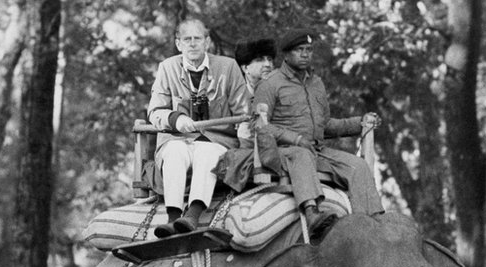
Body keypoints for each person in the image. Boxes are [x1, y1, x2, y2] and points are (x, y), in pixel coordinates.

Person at [252, 28, 384, 227]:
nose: (305, 54)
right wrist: (295, 139)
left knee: (358, 166)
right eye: (299, 50)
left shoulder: (317, 84)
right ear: (286, 54)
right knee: (301, 154)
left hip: (316, 150)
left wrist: (361, 123)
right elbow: (261, 126)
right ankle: (312, 212)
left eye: (309, 49)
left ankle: (372, 221)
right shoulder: (271, 84)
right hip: (283, 152)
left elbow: (326, 125)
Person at [147, 18, 249, 237]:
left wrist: (246, 144)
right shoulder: (167, 68)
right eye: (187, 39)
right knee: (174, 151)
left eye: (197, 38)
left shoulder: (228, 67)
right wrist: (175, 119)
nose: (192, 44)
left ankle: (192, 216)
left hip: (218, 141)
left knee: (206, 151)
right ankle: (173, 218)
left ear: (207, 42)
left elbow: (243, 113)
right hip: (177, 140)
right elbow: (155, 112)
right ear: (178, 44)